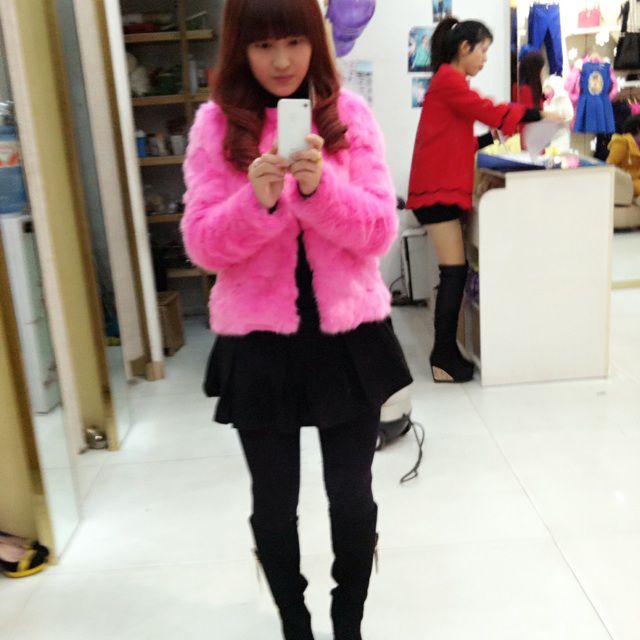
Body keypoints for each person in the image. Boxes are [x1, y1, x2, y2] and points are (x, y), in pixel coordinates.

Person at [181, 1, 412, 638]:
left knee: (352, 497)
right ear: (239, 49)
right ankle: (295, 624)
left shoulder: (348, 116)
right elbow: (202, 244)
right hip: (258, 343)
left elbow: (379, 230)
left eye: (293, 42)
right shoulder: (215, 126)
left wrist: (318, 191)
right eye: (262, 46)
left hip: (348, 337)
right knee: (274, 504)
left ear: (314, 40)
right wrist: (256, 203)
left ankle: (348, 622)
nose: (281, 61)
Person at [406, 17, 559, 383]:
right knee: (454, 272)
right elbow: (489, 109)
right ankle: (442, 358)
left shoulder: (449, 83)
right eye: (484, 50)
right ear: (465, 48)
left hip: (436, 190)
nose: (486, 59)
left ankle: (445, 354)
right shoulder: (449, 80)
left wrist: (492, 138)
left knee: (453, 273)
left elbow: (459, 140)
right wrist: (540, 114)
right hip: (436, 193)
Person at [607, 114, 640, 195]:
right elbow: (609, 166)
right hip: (625, 182)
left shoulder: (637, 144)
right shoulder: (622, 143)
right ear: (638, 129)